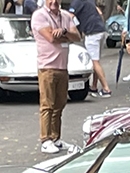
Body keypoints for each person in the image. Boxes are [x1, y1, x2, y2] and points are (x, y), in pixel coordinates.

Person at [32, 0, 80, 153]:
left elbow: (78, 37)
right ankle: (45, 140)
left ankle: (56, 138)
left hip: (62, 67)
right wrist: (67, 36)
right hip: (47, 67)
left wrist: (64, 32)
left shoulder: (65, 15)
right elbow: (51, 38)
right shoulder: (39, 15)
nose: (54, 2)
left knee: (60, 104)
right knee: (47, 104)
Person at [70, 0, 110, 96]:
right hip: (101, 30)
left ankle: (106, 89)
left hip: (91, 33)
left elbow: (70, 16)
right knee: (97, 61)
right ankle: (94, 86)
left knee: (94, 62)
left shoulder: (76, 2)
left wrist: (74, 31)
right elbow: (100, 12)